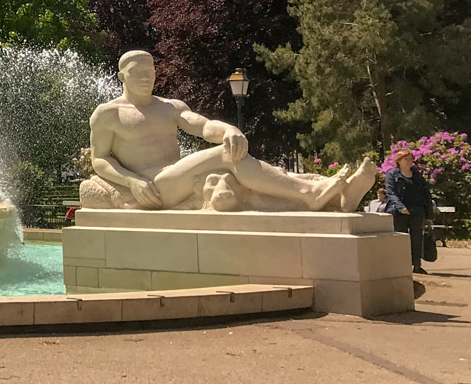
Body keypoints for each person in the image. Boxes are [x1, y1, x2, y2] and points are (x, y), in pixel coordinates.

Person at [86, 51, 378, 211]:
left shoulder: (169, 106)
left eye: (150, 72)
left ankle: (332, 200)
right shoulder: (108, 113)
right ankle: (312, 191)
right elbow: (100, 160)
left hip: (178, 178)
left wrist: (228, 129)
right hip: (152, 187)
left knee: (244, 180)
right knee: (229, 157)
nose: (147, 78)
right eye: (139, 74)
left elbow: (201, 125)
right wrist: (132, 182)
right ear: (122, 77)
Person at [383, 146, 434, 274]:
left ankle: (417, 265)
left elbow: (425, 193)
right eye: (406, 159)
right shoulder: (392, 174)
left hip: (416, 210)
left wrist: (428, 212)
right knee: (401, 238)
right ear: (399, 160)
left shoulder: (417, 175)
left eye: (411, 159)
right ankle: (401, 265)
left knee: (417, 238)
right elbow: (390, 192)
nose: (409, 161)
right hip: (398, 211)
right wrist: (401, 207)